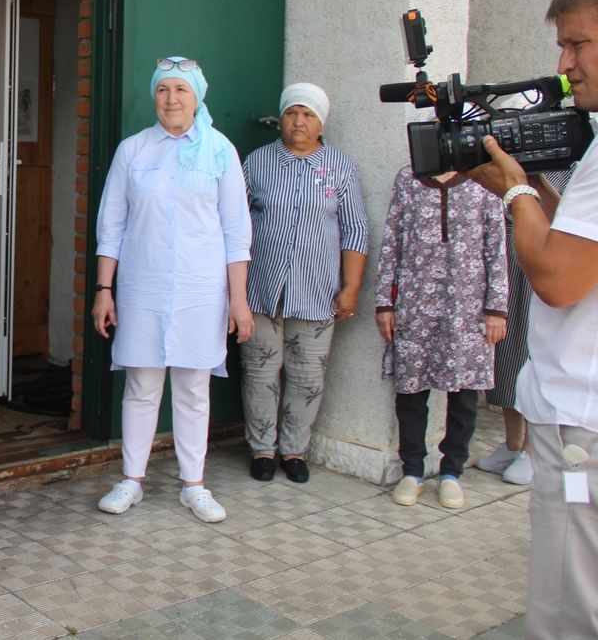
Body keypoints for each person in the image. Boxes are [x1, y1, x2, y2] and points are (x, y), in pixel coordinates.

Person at [466, 0, 598, 637]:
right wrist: (513, 189)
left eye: (579, 45)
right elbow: (573, 246)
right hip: (583, 422)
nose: (564, 65)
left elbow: (558, 278)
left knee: (566, 614)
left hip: (582, 425)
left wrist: (517, 186)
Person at [91, 57, 253, 524]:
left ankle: (193, 485)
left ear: (197, 96)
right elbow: (112, 225)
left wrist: (237, 298)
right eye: (164, 90)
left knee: (192, 387)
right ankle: (131, 480)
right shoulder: (133, 151)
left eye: (181, 90)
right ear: (154, 97)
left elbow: (236, 231)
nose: (172, 99)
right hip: (142, 286)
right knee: (141, 385)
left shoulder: (221, 152)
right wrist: (105, 289)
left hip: (202, 290)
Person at [241, 82, 369, 483]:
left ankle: (294, 451)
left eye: (308, 115)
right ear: (280, 119)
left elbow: (356, 230)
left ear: (320, 122)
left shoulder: (340, 166)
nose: (299, 121)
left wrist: (350, 288)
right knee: (259, 374)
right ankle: (263, 450)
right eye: (291, 113)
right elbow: (233, 227)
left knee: (306, 377)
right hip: (261, 291)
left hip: (318, 293)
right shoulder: (257, 163)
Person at [375, 155, 508, 510]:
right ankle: (413, 471)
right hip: (415, 302)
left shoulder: (486, 179)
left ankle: (451, 472)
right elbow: (392, 242)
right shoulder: (408, 176)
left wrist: (496, 308)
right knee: (411, 388)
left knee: (464, 392)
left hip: (468, 305)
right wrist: (384, 303)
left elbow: (497, 246)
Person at [476, 170, 569, 487]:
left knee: (533, 351)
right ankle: (513, 443)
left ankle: (533, 450)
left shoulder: (574, 159)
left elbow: (566, 215)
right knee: (505, 351)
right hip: (508, 249)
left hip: (544, 253)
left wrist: (538, 181)